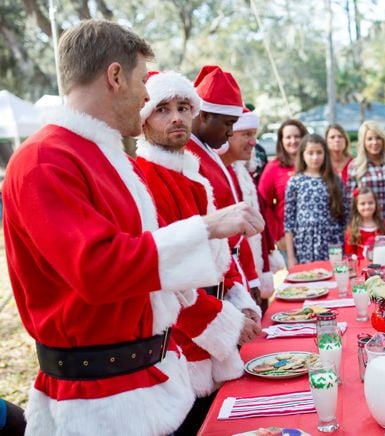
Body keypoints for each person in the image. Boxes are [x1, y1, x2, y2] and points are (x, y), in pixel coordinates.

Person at [2, 20, 262, 435]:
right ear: (116, 77)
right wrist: (206, 229)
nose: (146, 95)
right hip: (99, 406)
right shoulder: (44, 160)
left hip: (145, 387)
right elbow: (97, 269)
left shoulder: (106, 159)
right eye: (143, 82)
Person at [133, 71, 258, 433]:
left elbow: (219, 252)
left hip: (213, 330)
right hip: (184, 342)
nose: (176, 117)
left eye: (184, 107)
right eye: (163, 109)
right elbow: (168, 278)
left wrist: (239, 299)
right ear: (143, 119)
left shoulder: (193, 175)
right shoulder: (146, 178)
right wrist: (227, 322)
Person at [185, 65, 264, 307]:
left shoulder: (208, 153)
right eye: (228, 124)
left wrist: (250, 279)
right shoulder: (189, 158)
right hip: (212, 281)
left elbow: (236, 234)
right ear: (204, 116)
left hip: (230, 273)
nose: (231, 133)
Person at [222, 109, 278, 311]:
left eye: (254, 134)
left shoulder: (243, 174)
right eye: (246, 134)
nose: (254, 142)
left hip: (252, 272)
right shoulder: (224, 174)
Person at [285, 134, 347, 266]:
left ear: (325, 154)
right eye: (310, 153)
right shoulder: (295, 182)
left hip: (332, 241)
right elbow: (288, 222)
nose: (315, 157)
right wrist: (291, 257)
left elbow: (345, 217)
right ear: (302, 154)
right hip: (305, 244)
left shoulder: (335, 180)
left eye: (319, 152)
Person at [258, 119, 309, 258]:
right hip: (289, 239)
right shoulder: (273, 168)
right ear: (281, 141)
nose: (293, 141)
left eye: (297, 136)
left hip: (317, 237)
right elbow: (263, 203)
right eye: (288, 137)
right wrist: (277, 235)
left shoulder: (315, 163)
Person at [346, 121, 385, 226]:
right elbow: (350, 202)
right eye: (369, 139)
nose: (374, 142)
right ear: (363, 142)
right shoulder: (355, 166)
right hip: (366, 227)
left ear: (383, 140)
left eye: (378, 138)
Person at [344, 186, 385, 260]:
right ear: (356, 206)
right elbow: (349, 255)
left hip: (383, 267)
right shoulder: (353, 228)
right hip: (361, 268)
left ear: (376, 204)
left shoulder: (384, 224)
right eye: (362, 204)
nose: (367, 206)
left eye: (370, 203)